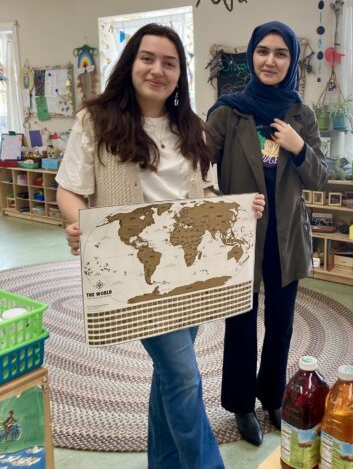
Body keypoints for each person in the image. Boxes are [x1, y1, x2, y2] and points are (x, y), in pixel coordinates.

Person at [56, 23, 264, 469]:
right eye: (147, 58)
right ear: (130, 63)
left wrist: (236, 211)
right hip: (135, 273)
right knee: (185, 377)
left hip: (187, 272)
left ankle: (163, 463)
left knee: (171, 375)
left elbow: (205, 194)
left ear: (180, 74)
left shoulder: (193, 127)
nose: (157, 69)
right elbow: (69, 190)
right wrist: (80, 225)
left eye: (169, 63)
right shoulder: (95, 121)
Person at [206, 21, 328, 446]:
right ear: (251, 56)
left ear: (292, 61)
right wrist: (227, 205)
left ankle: (273, 396)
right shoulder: (228, 111)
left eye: (280, 53)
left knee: (281, 324)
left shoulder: (300, 114)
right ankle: (241, 405)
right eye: (262, 51)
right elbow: (199, 171)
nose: (270, 60)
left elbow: (319, 178)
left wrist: (298, 146)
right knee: (240, 324)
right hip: (240, 237)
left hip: (286, 235)